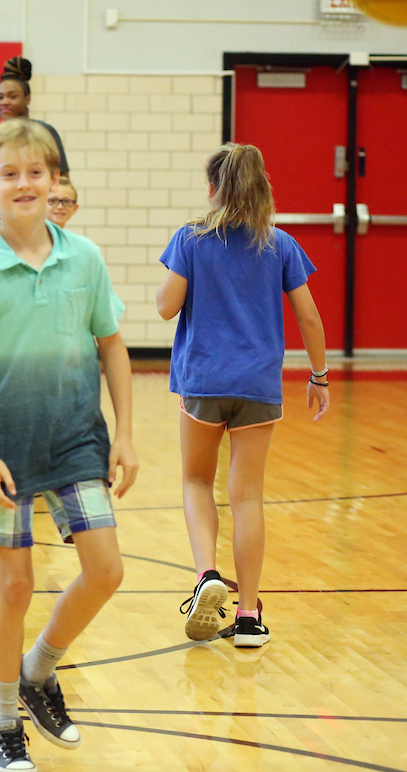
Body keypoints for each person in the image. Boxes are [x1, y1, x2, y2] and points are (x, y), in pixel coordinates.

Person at [0, 119, 137, 771]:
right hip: (4, 451)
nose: (24, 183)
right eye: (10, 173)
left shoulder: (83, 258)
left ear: (56, 181)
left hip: (77, 442)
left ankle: (39, 668)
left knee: (107, 568)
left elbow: (111, 343)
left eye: (36, 172)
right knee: (15, 585)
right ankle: (3, 723)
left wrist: (127, 435)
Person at [157, 143, 329, 648]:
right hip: (258, 385)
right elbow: (310, 317)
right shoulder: (279, 243)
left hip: (203, 383)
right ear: (263, 188)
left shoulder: (191, 239)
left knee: (195, 481)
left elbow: (167, 308)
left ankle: (207, 575)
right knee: (247, 496)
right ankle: (250, 615)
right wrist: (318, 377)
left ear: (212, 189)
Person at [0, 56, 70, 175]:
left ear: (27, 99)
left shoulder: (44, 132)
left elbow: (62, 176)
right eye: (0, 97)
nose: (5, 102)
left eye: (12, 96)